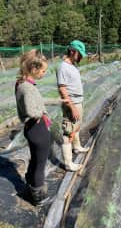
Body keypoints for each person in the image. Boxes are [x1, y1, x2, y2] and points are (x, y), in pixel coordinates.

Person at [15, 49, 51, 206]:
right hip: (37, 128)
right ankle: (38, 196)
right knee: (40, 163)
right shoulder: (27, 88)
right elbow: (30, 111)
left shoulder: (21, 83)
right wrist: (42, 112)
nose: (44, 73)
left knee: (35, 160)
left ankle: (30, 186)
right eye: (43, 70)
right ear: (34, 69)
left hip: (32, 129)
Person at [56, 40, 89, 172]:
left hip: (78, 101)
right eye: (79, 54)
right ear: (72, 51)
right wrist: (72, 107)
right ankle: (68, 163)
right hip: (72, 103)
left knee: (76, 125)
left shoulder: (73, 66)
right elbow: (62, 89)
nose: (81, 57)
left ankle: (77, 146)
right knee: (68, 131)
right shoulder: (63, 67)